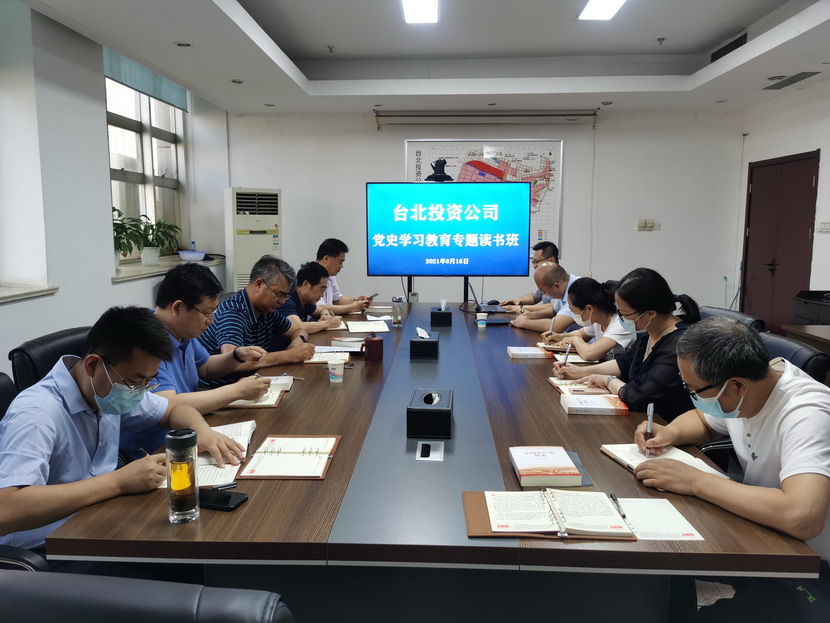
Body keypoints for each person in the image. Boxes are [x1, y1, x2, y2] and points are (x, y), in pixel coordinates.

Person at [0, 306, 245, 551]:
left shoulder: (105, 389)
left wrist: (201, 431)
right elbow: (7, 508)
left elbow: (174, 410)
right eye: (136, 381)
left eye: (148, 381)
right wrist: (118, 482)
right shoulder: (36, 413)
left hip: (102, 520)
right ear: (93, 365)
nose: (139, 390)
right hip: (50, 549)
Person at [634, 317, 830, 621]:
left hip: (806, 564)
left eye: (694, 389)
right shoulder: (749, 391)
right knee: (659, 568)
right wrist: (669, 432)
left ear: (737, 386)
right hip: (762, 533)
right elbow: (704, 420)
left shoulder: (807, 413)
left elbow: (802, 516)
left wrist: (695, 482)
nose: (692, 396)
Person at [119, 264, 271, 461]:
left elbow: (205, 367)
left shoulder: (182, 331)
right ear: (178, 308)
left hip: (189, 431)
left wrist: (235, 356)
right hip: (155, 451)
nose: (211, 321)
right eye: (207, 313)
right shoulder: (145, 341)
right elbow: (168, 404)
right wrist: (237, 391)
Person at [552, 267, 699, 421]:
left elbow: (638, 396)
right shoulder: (650, 332)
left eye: (624, 313)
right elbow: (623, 364)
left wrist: (608, 380)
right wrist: (579, 372)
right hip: (640, 418)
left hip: (663, 423)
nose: (620, 318)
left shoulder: (679, 345)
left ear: (650, 314)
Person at [198, 255, 315, 384]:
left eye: (286, 296)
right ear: (258, 284)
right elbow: (233, 363)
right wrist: (289, 355)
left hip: (250, 382)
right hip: (219, 388)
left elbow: (298, 330)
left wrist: (297, 343)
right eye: (279, 294)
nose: (282, 301)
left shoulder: (267, 311)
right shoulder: (233, 311)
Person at [542, 277, 633, 361]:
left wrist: (574, 340)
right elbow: (581, 334)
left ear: (589, 309)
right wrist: (559, 337)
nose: (574, 315)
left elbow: (589, 354)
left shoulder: (621, 324)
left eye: (574, 311)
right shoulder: (598, 319)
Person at [510, 261, 580, 334]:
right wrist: (531, 315)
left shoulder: (578, 290)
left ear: (556, 286)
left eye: (543, 291)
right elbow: (554, 309)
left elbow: (555, 326)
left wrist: (524, 322)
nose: (544, 294)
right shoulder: (565, 286)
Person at [279, 261, 343, 334]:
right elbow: (297, 327)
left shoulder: (306, 300)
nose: (322, 295)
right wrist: (327, 323)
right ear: (306, 284)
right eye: (322, 290)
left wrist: (324, 316)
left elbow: (322, 310)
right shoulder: (287, 299)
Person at [314, 238, 371, 314]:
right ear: (326, 258)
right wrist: (353, 307)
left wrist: (357, 300)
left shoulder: (330, 276)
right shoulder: (310, 275)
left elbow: (337, 299)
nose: (341, 266)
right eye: (340, 262)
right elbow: (319, 308)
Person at [500, 241, 559, 310]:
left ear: (551, 260)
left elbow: (555, 306)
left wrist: (521, 308)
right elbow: (534, 297)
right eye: (533, 262)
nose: (534, 265)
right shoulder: (547, 279)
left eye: (537, 261)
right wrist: (517, 301)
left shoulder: (560, 280)